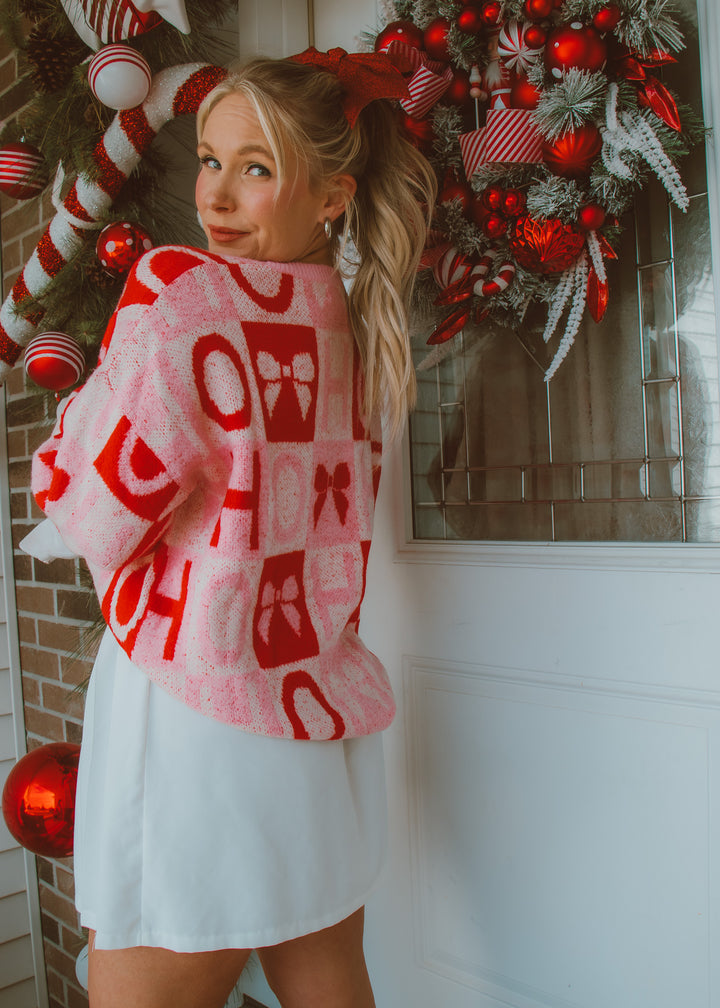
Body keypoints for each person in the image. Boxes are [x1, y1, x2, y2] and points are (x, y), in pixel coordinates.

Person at [28, 48, 436, 1008]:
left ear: (332, 196)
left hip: (197, 714)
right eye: (211, 160)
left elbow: (94, 507)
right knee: (330, 981)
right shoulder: (353, 317)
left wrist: (60, 460)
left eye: (257, 168)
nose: (216, 194)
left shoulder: (188, 296)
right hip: (310, 704)